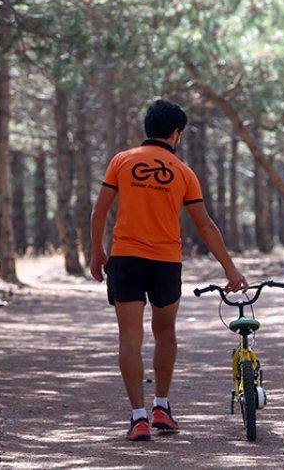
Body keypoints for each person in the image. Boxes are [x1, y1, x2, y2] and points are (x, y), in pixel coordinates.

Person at [90, 99, 249, 442]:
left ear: (147, 128)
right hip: (165, 263)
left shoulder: (121, 161)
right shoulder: (183, 172)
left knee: (130, 337)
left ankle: (138, 418)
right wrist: (230, 269)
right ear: (176, 134)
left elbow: (99, 211)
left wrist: (97, 251)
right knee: (165, 333)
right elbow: (206, 226)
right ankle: (161, 406)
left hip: (126, 259)